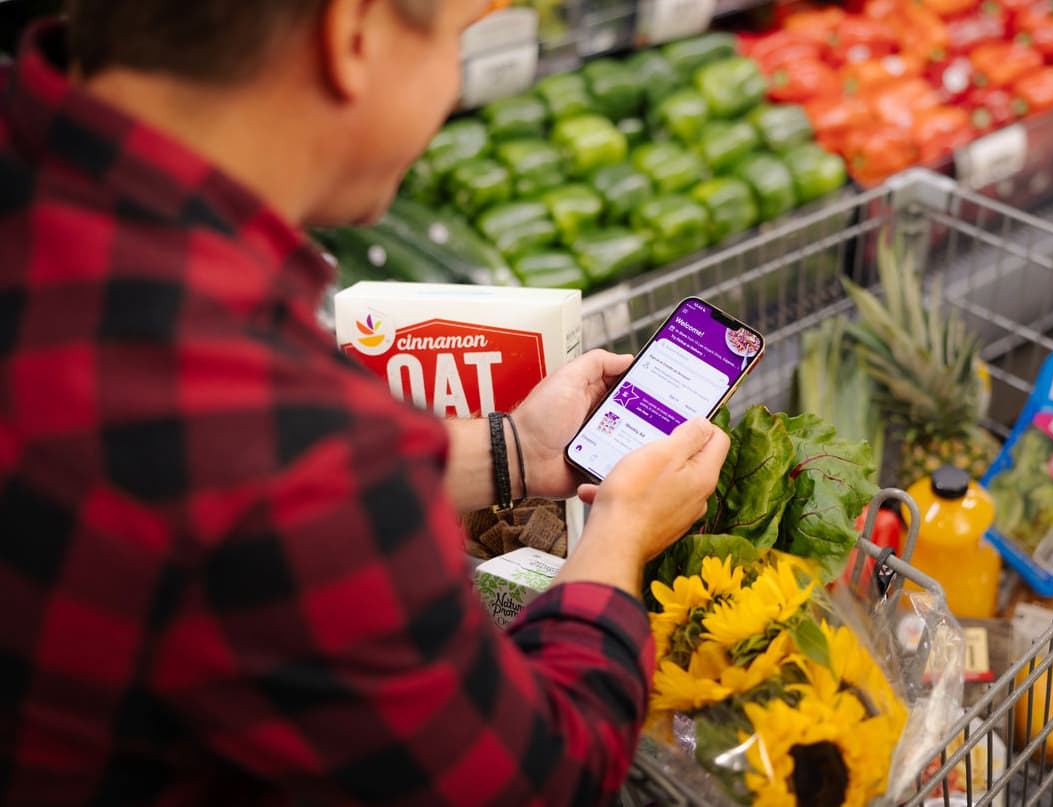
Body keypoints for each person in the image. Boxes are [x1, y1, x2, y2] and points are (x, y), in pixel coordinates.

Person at [0, 1, 731, 804]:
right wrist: (622, 534)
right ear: (353, 37)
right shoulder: (272, 430)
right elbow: (533, 776)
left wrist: (512, 448)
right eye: (458, 40)